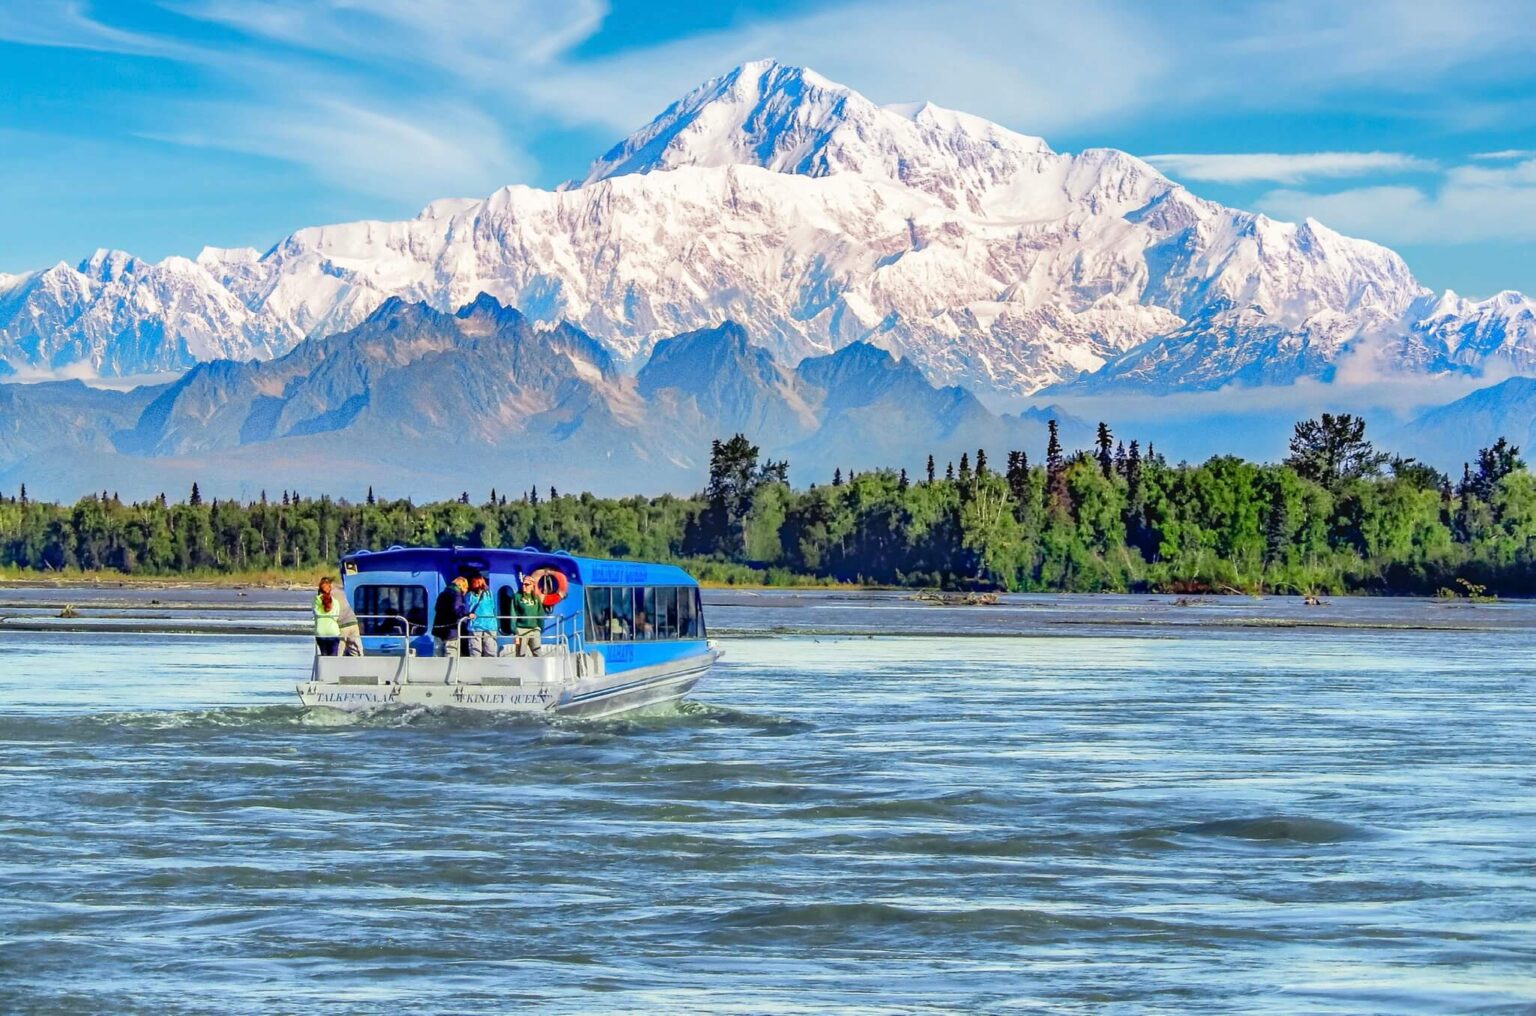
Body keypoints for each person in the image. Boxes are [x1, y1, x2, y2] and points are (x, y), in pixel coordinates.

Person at [431, 576, 471, 657]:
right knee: (450, 653)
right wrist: (467, 614)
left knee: (437, 655)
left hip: (438, 629)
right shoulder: (456, 595)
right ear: (462, 586)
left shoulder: (442, 594)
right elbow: (457, 610)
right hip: (451, 631)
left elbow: (436, 608)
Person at [510, 574, 544, 657]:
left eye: (527, 584)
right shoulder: (517, 597)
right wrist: (515, 631)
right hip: (521, 630)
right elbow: (513, 614)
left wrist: (540, 628)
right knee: (520, 655)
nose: (524, 586)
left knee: (538, 654)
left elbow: (540, 613)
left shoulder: (536, 598)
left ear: (532, 586)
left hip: (534, 629)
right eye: (523, 584)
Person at [464, 576, 498, 657]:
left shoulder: (470, 595)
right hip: (490, 624)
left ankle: (476, 665)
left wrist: (468, 614)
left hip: (475, 624)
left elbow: (466, 609)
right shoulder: (489, 594)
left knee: (475, 651)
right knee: (490, 650)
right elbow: (493, 606)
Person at [313, 576, 341, 657]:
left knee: (324, 656)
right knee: (333, 657)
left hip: (320, 632)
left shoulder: (315, 600)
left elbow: (314, 612)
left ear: (320, 589)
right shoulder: (335, 602)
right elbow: (336, 617)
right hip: (333, 632)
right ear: (330, 589)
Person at [336, 585, 364, 657]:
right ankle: (362, 656)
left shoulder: (331, 596)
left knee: (342, 644)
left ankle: (338, 659)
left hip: (343, 624)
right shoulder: (341, 593)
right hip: (353, 622)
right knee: (357, 643)